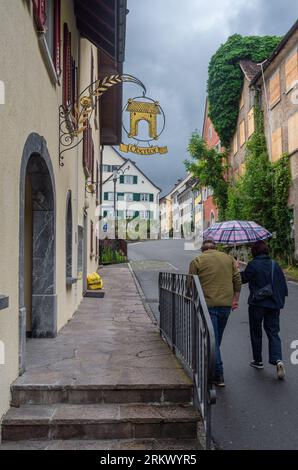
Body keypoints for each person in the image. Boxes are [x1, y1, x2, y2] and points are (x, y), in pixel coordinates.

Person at [189, 239, 242, 387]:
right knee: (216, 339)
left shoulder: (197, 261)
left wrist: (189, 298)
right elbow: (237, 279)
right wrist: (235, 299)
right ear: (215, 248)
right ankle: (211, 366)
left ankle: (218, 375)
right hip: (225, 305)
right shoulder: (228, 259)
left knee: (212, 340)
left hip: (208, 305)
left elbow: (191, 283)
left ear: (202, 249)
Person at [241, 240, 288, 380]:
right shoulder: (275, 264)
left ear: (254, 251)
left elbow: (243, 279)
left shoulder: (253, 264)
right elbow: (282, 285)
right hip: (274, 304)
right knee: (273, 332)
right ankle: (278, 360)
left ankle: (258, 361)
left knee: (256, 331)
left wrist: (237, 268)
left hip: (257, 304)